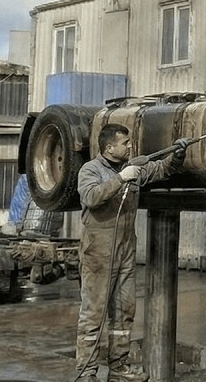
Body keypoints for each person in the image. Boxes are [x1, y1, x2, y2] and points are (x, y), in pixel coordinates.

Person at [75, 123, 187, 382]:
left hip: (125, 253)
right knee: (93, 315)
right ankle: (86, 373)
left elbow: (162, 168)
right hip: (98, 255)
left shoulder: (133, 169)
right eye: (124, 143)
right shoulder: (90, 170)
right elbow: (91, 197)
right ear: (109, 148)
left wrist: (177, 155)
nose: (129, 146)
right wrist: (120, 179)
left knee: (124, 312)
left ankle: (118, 367)